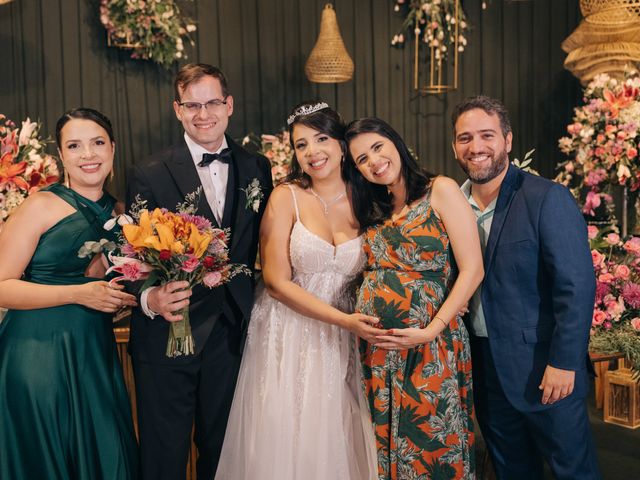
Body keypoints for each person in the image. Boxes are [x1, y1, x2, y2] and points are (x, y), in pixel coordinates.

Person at [215, 102, 378, 480]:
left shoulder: (369, 195)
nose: (312, 152)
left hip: (347, 336)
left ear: (342, 144)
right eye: (301, 145)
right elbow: (275, 282)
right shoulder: (285, 197)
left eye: (320, 139)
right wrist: (345, 321)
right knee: (287, 437)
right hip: (290, 333)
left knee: (340, 432)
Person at [125, 63, 273, 480]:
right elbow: (131, 254)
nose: (202, 113)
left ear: (229, 106)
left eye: (211, 103)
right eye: (192, 105)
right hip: (168, 336)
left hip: (233, 335)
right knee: (163, 454)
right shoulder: (149, 172)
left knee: (224, 452)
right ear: (177, 109)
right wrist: (149, 297)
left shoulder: (258, 167)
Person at [451, 95, 600, 479]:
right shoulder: (450, 206)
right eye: (465, 138)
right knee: (511, 469)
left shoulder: (545, 198)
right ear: (454, 146)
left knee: (573, 470)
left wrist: (564, 362)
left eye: (487, 135)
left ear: (508, 140)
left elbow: (576, 286)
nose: (476, 147)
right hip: (485, 367)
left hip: (545, 367)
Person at [0, 107, 139, 479]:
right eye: (74, 146)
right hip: (37, 356)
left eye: (96, 143)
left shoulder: (125, 217)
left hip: (93, 354)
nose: (88, 155)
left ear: (113, 147)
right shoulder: (39, 206)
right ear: (61, 155)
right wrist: (79, 294)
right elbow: (1, 286)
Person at [344, 117, 484, 479]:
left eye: (377, 147)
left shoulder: (441, 189)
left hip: (432, 346)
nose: (373, 161)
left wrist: (432, 328)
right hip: (377, 353)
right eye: (361, 159)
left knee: (434, 443)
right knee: (382, 448)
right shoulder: (374, 210)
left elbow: (472, 269)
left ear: (395, 142)